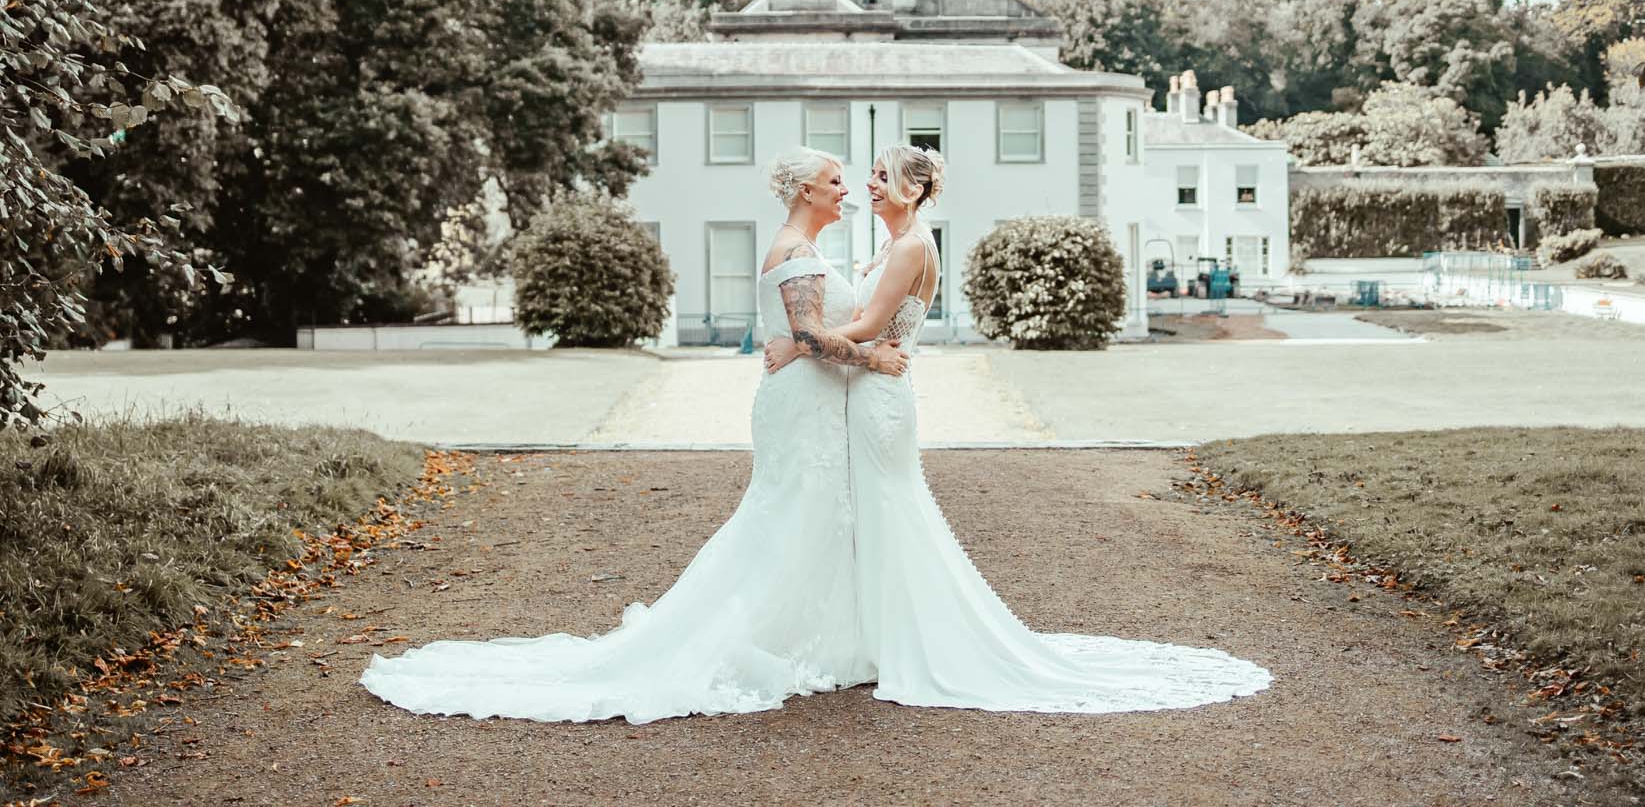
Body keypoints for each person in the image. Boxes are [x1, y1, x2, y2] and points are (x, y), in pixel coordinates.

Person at [358, 147, 904, 724]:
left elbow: (802, 338)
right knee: (787, 516)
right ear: (806, 193)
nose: (845, 190)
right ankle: (752, 641)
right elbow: (811, 337)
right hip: (801, 406)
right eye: (834, 182)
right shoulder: (795, 251)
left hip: (808, 401)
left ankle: (816, 637)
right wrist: (872, 357)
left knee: (807, 518)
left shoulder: (807, 248)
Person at [764, 144, 1272, 714]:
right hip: (869, 390)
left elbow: (869, 325)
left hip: (881, 393)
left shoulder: (908, 247)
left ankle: (915, 643)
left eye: (884, 177)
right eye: (871, 176)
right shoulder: (894, 243)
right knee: (880, 515)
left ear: (913, 189)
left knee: (891, 514)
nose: (870, 185)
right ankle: (880, 637)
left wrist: (801, 344)